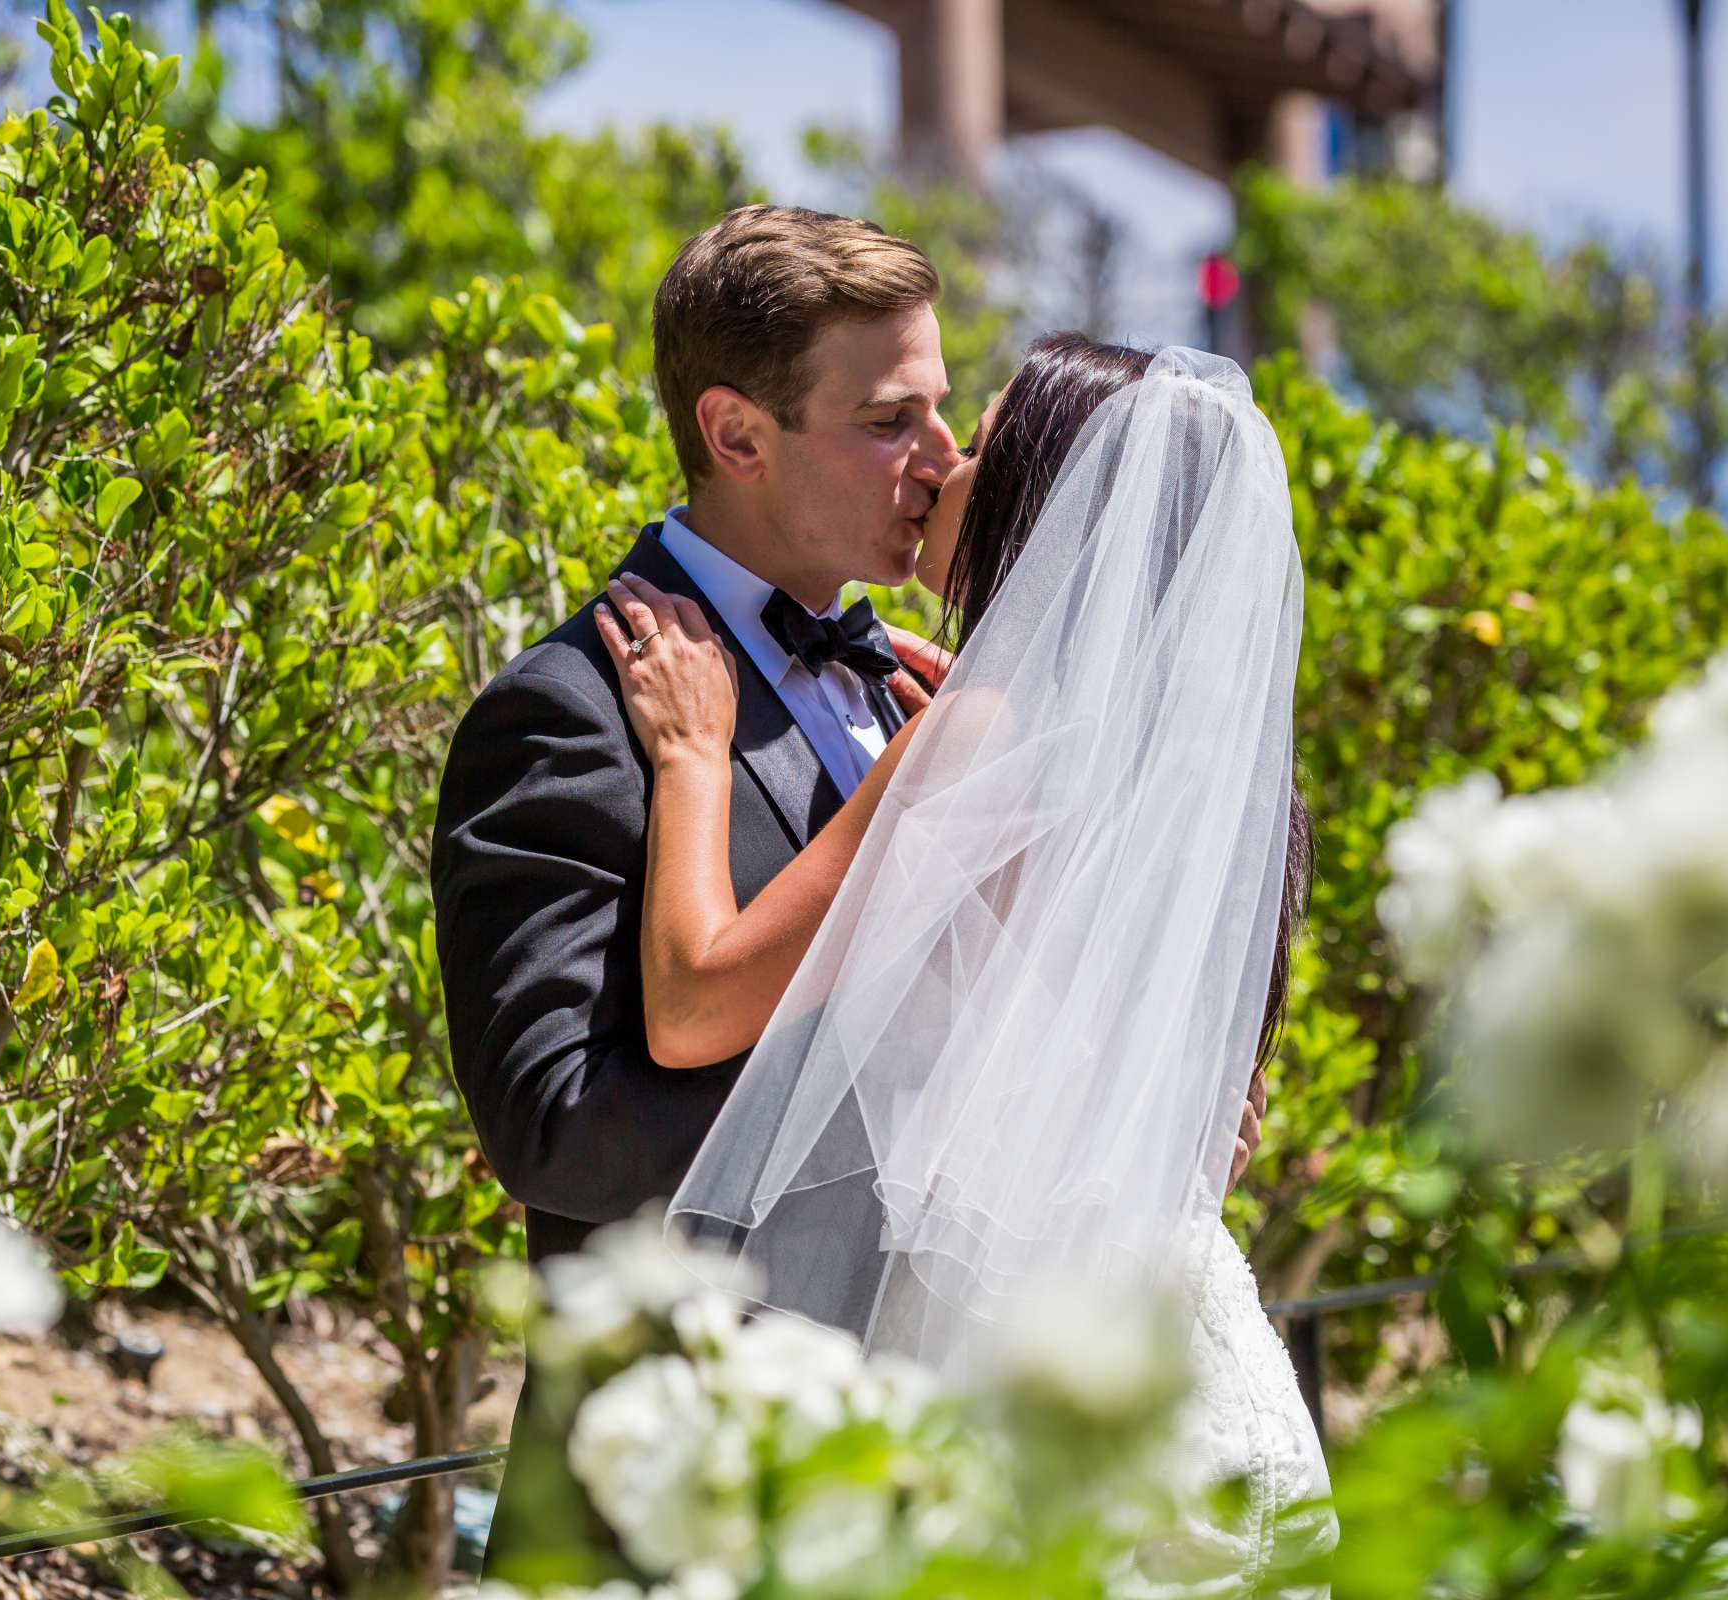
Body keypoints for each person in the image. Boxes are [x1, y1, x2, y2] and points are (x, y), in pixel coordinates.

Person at [431, 211, 1269, 1580]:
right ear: (739, 435)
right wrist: (933, 1070)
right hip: (672, 1512)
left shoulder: (935, 694)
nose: (940, 463)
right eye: (891, 421)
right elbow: (558, 1134)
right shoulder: (573, 714)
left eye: (945, 411)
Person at [606, 332, 1334, 1591]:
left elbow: (693, 1003)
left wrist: (689, 753)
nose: (942, 463)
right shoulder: (1201, 779)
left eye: (986, 443)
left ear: (1055, 503)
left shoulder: (994, 735)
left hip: (1038, 1394)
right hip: (1200, 1379)